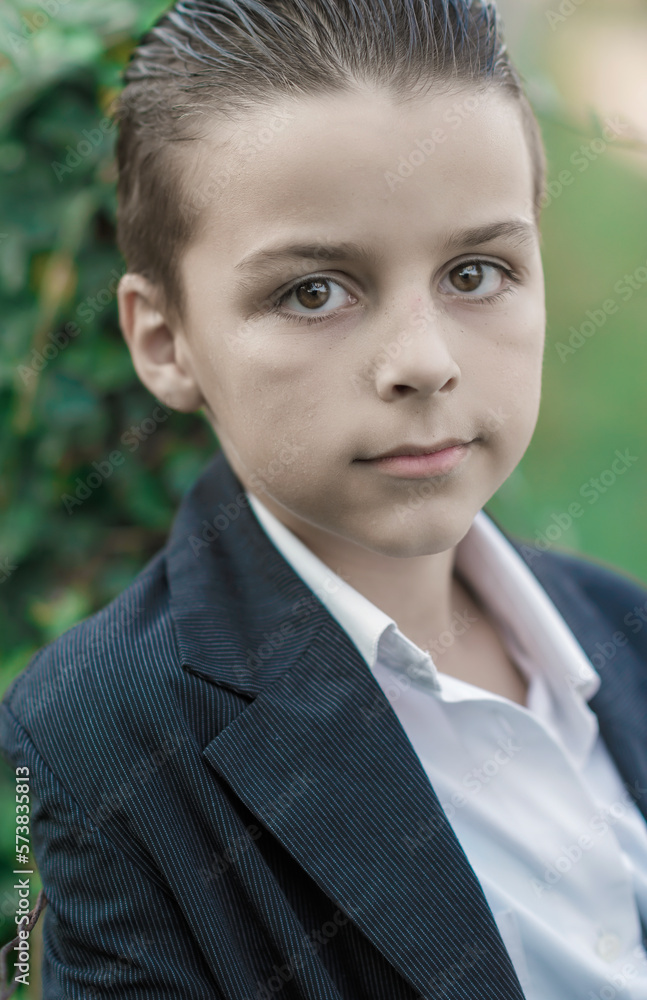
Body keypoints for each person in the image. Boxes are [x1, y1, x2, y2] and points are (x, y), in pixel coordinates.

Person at [1, 0, 647, 996]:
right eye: (313, 292)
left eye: (475, 272)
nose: (423, 361)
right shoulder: (101, 735)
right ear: (164, 340)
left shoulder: (623, 624)